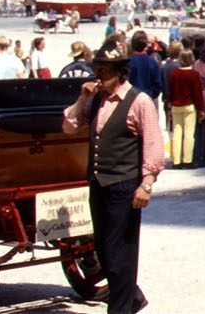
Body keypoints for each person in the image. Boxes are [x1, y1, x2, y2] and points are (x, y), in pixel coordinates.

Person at [62, 43, 164, 314]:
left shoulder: (139, 101)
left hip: (124, 185)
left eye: (104, 70)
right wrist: (82, 99)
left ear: (120, 73)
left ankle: (119, 309)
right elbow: (69, 126)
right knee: (103, 249)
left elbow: (153, 145)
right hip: (98, 183)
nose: (98, 75)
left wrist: (146, 184)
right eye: (96, 69)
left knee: (122, 253)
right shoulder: (95, 99)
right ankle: (132, 298)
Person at [165, 50, 201, 169]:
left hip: (176, 105)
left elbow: (170, 91)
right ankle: (187, 160)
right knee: (189, 134)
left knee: (177, 133)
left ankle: (176, 161)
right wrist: (200, 109)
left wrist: (169, 106)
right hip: (189, 105)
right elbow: (197, 94)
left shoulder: (174, 73)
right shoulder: (194, 74)